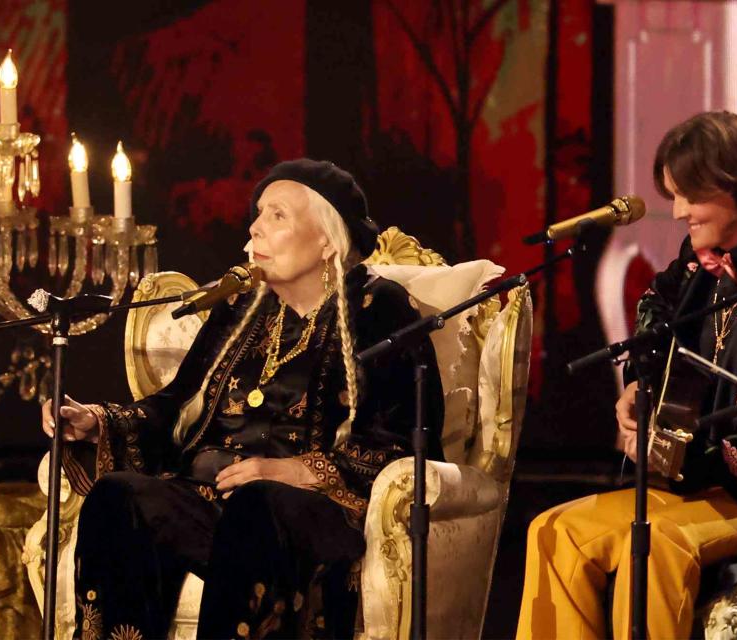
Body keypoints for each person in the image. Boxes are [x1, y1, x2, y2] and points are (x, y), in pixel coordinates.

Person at [41, 159, 444, 640]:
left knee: (259, 502)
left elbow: (403, 439)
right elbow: (173, 405)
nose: (254, 227)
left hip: (305, 511)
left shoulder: (379, 309)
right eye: (257, 213)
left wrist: (296, 471)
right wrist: (98, 422)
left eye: (277, 215)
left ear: (327, 240)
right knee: (120, 495)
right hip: (211, 502)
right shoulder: (239, 308)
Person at [515, 111, 737, 639]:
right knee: (554, 531)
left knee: (657, 542)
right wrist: (644, 383)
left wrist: (691, 452)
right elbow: (654, 310)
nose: (679, 210)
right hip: (697, 484)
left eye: (691, 194)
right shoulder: (699, 261)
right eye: (674, 194)